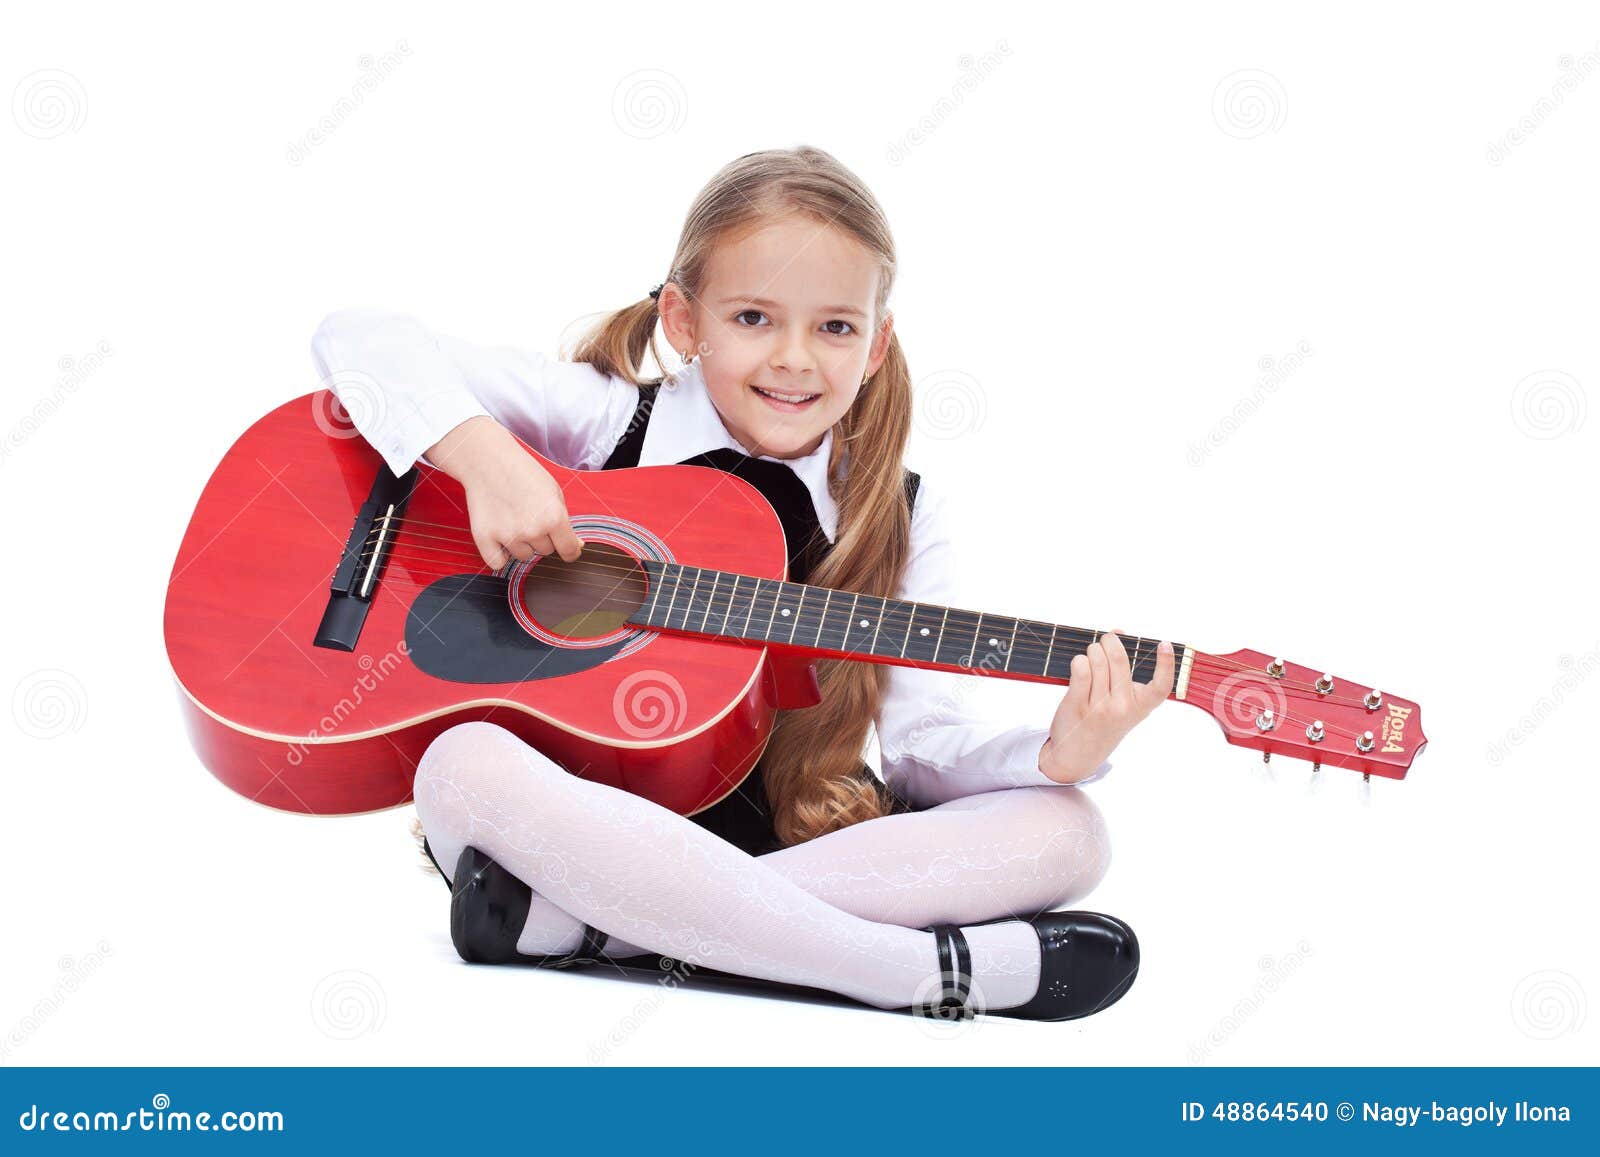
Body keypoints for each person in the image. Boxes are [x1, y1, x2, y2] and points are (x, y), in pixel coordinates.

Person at [309, 145, 1173, 1021]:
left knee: (1069, 826)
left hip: (775, 846)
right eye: (755, 316)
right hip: (561, 824)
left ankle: (599, 930)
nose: (795, 357)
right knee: (460, 766)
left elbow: (920, 749)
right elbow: (360, 334)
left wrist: (1055, 752)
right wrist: (482, 456)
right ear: (684, 321)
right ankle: (899, 968)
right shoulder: (606, 417)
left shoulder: (905, 515)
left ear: (877, 344)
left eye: (835, 327)